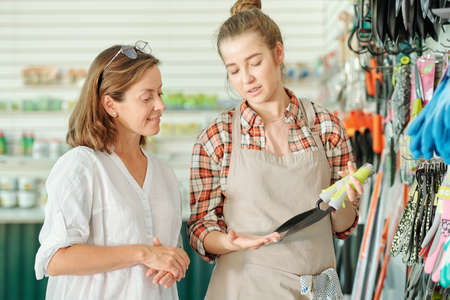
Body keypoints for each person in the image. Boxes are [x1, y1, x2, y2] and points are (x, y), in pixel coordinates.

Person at [187, 1, 363, 299]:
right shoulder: (216, 137)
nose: (246, 78)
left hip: (313, 290)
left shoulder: (325, 125)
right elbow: (200, 228)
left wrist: (346, 200)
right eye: (234, 70)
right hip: (243, 289)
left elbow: (342, 227)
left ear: (278, 53)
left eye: (254, 63)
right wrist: (230, 243)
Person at [34, 41, 190, 300]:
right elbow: (54, 259)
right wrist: (143, 253)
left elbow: (167, 250)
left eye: (160, 94)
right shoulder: (81, 166)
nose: (160, 105)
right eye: (147, 97)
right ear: (110, 105)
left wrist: (176, 262)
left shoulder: (164, 174)